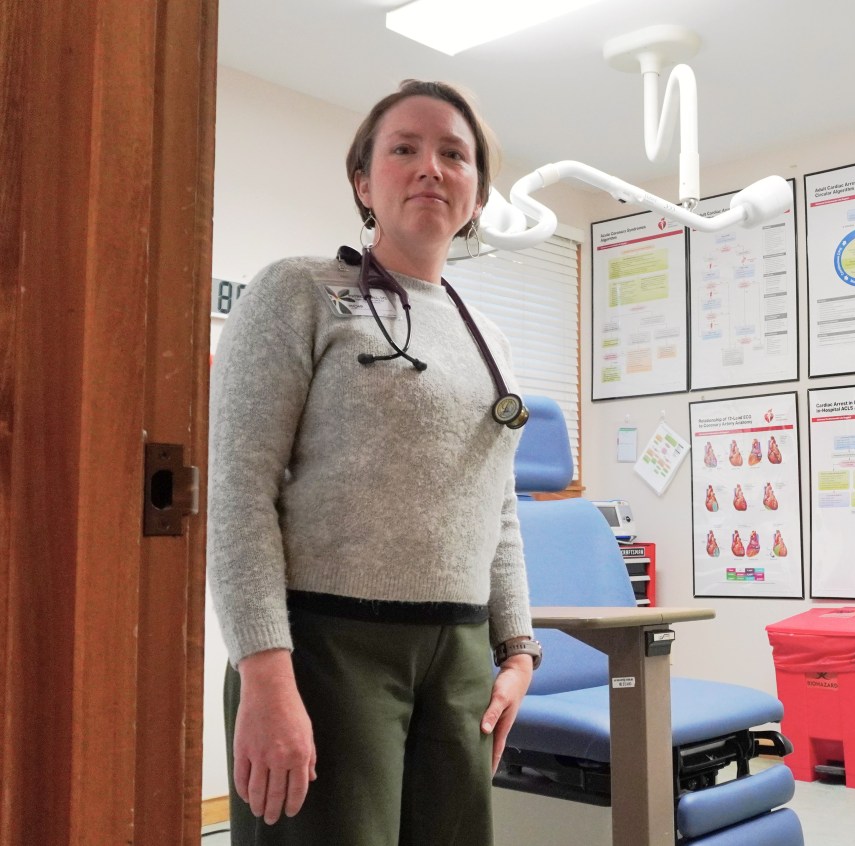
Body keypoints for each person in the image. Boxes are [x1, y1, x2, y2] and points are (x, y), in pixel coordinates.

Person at [208, 80, 539, 846]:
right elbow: (239, 492)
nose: (431, 167)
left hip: (457, 656)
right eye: (404, 149)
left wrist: (517, 649)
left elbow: (500, 506)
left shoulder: (489, 336)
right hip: (327, 650)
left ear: (478, 195)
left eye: (454, 154)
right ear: (364, 181)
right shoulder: (297, 292)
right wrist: (264, 672)